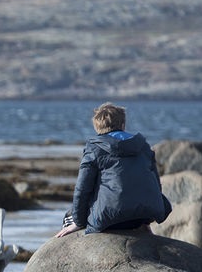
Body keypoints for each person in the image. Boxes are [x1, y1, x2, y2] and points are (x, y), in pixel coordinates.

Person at [56, 102, 171, 238]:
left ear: (97, 127)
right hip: (145, 216)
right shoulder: (143, 146)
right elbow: (156, 184)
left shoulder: (95, 148)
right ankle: (144, 226)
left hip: (112, 219)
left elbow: (82, 189)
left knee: (69, 217)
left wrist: (79, 222)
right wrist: (146, 221)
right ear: (123, 125)